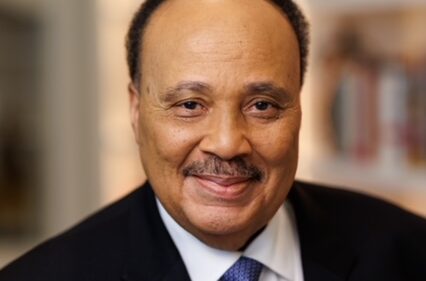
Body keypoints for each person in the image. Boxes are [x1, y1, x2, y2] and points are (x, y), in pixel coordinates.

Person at [1, 0, 425, 280]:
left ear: (299, 106)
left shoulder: (408, 251)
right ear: (135, 110)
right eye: (189, 105)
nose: (226, 143)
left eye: (262, 105)